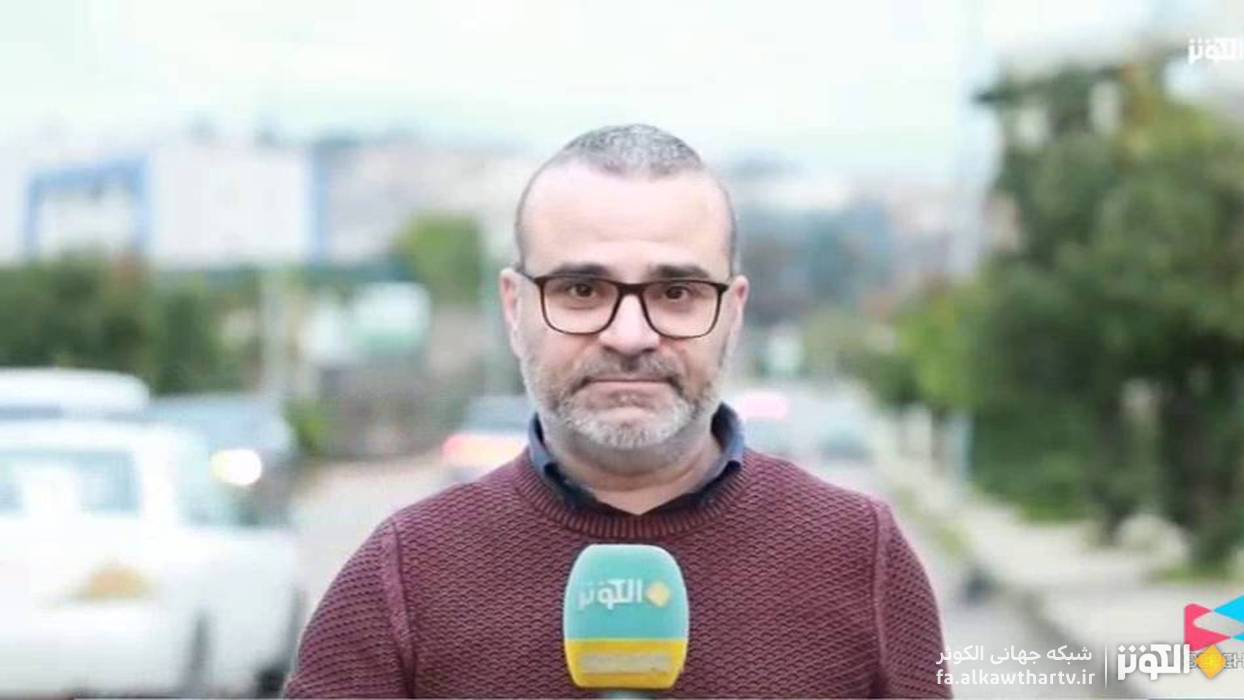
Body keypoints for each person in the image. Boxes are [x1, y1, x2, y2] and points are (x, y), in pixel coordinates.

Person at [283, 124, 950, 698]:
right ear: (514, 309)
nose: (630, 335)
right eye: (581, 289)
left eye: (677, 292)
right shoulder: (404, 574)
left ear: (733, 312)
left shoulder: (861, 556)